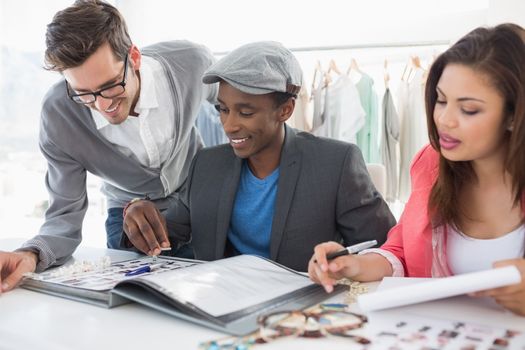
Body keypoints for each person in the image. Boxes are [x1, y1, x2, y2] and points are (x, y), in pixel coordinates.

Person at [0, 0, 216, 292]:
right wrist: (31, 254)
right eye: (84, 94)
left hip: (200, 201)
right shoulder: (59, 115)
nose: (103, 106)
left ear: (134, 57)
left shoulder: (190, 63)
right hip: (129, 220)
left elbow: (238, 111)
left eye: (112, 85)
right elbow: (64, 215)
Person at [309, 23, 525, 315]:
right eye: (441, 100)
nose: (444, 120)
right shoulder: (431, 165)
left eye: (469, 109)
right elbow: (402, 251)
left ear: (514, 116)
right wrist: (353, 265)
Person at [122, 41, 396, 271]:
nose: (229, 126)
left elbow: (386, 250)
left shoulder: (336, 164)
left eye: (246, 112)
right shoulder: (207, 164)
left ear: (285, 110)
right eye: (223, 109)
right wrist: (138, 217)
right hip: (223, 307)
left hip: (302, 313)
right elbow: (166, 234)